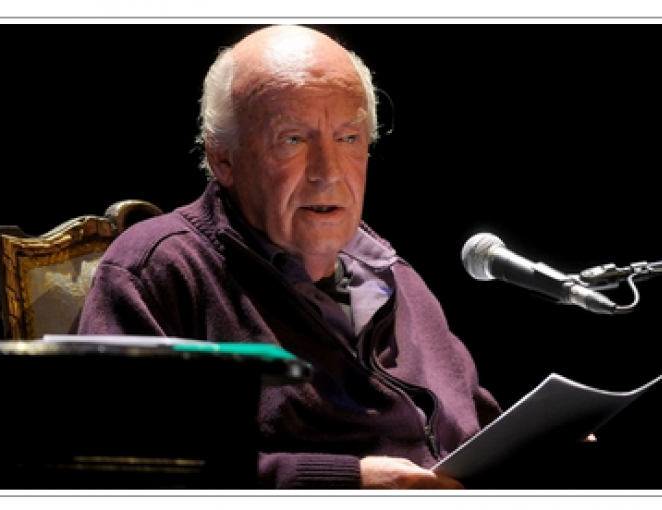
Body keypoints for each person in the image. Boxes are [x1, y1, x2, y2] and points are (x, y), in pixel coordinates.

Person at [77, 24, 502, 490]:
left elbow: (478, 426)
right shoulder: (159, 271)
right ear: (223, 158)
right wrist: (343, 483)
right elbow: (120, 464)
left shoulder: (394, 274)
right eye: (293, 140)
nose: (328, 172)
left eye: (348, 138)